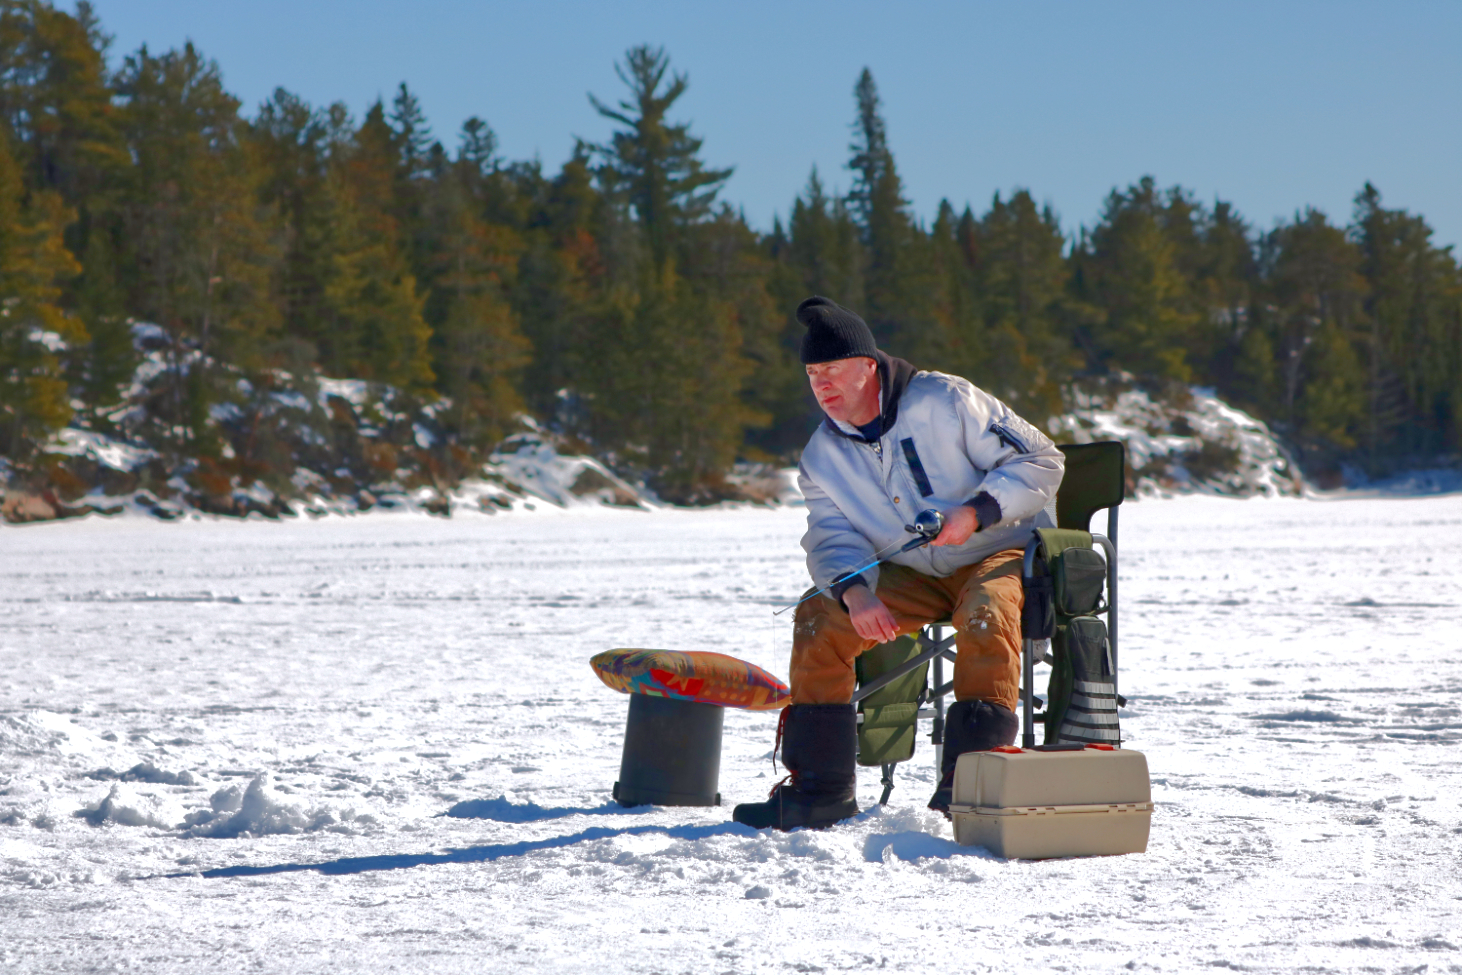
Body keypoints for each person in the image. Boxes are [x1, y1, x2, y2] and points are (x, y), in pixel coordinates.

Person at [732, 296, 1065, 831]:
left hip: (996, 551)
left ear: (868, 366)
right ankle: (821, 791)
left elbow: (1041, 459)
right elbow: (830, 535)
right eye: (813, 373)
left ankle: (971, 785)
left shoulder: (947, 399)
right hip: (912, 575)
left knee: (984, 611)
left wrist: (976, 513)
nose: (821, 384)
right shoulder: (821, 457)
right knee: (818, 620)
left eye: (832, 370)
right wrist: (852, 592)